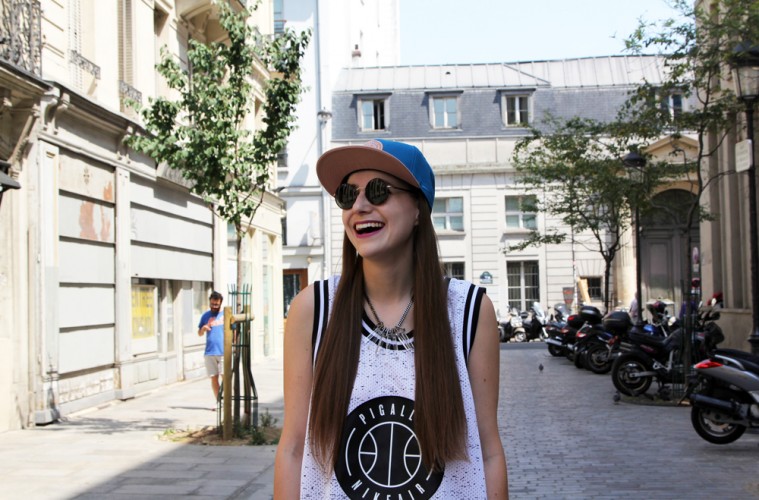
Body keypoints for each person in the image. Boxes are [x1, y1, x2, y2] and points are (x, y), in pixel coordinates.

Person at [274, 139, 508, 498]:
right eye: (348, 195)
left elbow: (488, 451)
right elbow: (293, 448)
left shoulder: (469, 310)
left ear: (418, 210)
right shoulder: (313, 309)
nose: (359, 206)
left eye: (378, 191)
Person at [197, 290, 224, 405]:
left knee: (225, 378)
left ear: (220, 303)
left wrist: (233, 347)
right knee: (213, 378)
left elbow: (234, 331)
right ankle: (219, 402)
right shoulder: (205, 316)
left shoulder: (225, 315)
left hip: (223, 352)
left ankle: (227, 402)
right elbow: (199, 333)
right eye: (212, 304)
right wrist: (203, 329)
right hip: (210, 352)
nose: (214, 306)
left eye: (216, 304)